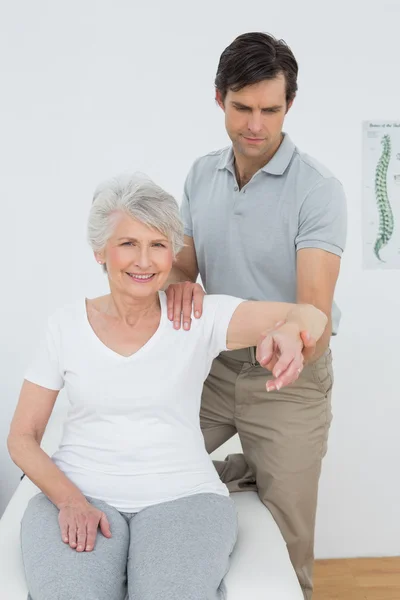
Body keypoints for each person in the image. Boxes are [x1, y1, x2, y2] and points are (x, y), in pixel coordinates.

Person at [7, 174, 327, 600]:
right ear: (100, 250)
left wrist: (290, 331)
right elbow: (22, 438)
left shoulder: (197, 318)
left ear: (172, 252)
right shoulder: (64, 326)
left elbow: (311, 315)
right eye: (128, 244)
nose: (144, 261)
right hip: (81, 490)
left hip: (184, 498)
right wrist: (69, 500)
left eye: (157, 245)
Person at [165, 32, 347, 599]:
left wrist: (292, 338)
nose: (256, 125)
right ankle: (250, 469)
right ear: (219, 97)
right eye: (242, 108)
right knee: (149, 460)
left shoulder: (318, 189)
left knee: (290, 530)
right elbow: (182, 269)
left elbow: (311, 307)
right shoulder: (199, 175)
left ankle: (265, 472)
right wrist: (176, 286)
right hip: (214, 367)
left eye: (271, 109)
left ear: (288, 105)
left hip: (290, 377)